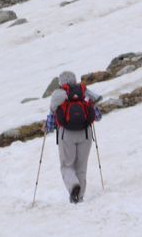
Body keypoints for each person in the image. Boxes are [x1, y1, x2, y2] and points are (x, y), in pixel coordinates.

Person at [43, 70, 102, 203]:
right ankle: (79, 198)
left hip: (66, 135)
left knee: (67, 166)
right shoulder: (83, 91)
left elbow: (52, 117)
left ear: (61, 82)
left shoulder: (58, 95)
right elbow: (97, 116)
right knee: (81, 167)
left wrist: (47, 127)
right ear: (74, 80)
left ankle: (73, 186)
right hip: (86, 134)